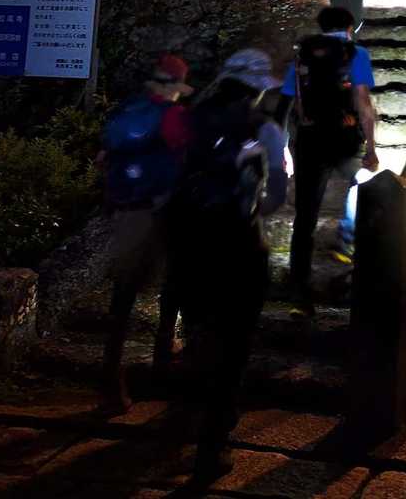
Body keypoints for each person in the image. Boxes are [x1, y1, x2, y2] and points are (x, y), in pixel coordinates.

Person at [167, 48, 288, 483]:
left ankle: (186, 414)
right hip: (239, 243)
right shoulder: (266, 129)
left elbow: (170, 175)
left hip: (190, 242)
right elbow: (277, 192)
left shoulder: (189, 119)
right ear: (257, 89)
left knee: (200, 331)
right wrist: (257, 210)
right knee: (234, 342)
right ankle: (213, 443)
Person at [97, 54, 194, 414]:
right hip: (164, 212)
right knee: (175, 283)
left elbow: (103, 158)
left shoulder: (127, 110)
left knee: (123, 296)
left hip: (127, 212)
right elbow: (188, 162)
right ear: (176, 87)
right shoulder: (175, 116)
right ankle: (163, 356)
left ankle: (111, 381)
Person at [276, 6, 379, 316]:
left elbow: (287, 102)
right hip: (345, 138)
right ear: (350, 28)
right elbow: (363, 102)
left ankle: (299, 294)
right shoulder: (356, 53)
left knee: (305, 218)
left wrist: (282, 147)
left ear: (321, 27)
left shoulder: (303, 56)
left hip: (309, 140)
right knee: (363, 184)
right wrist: (371, 146)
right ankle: (347, 243)